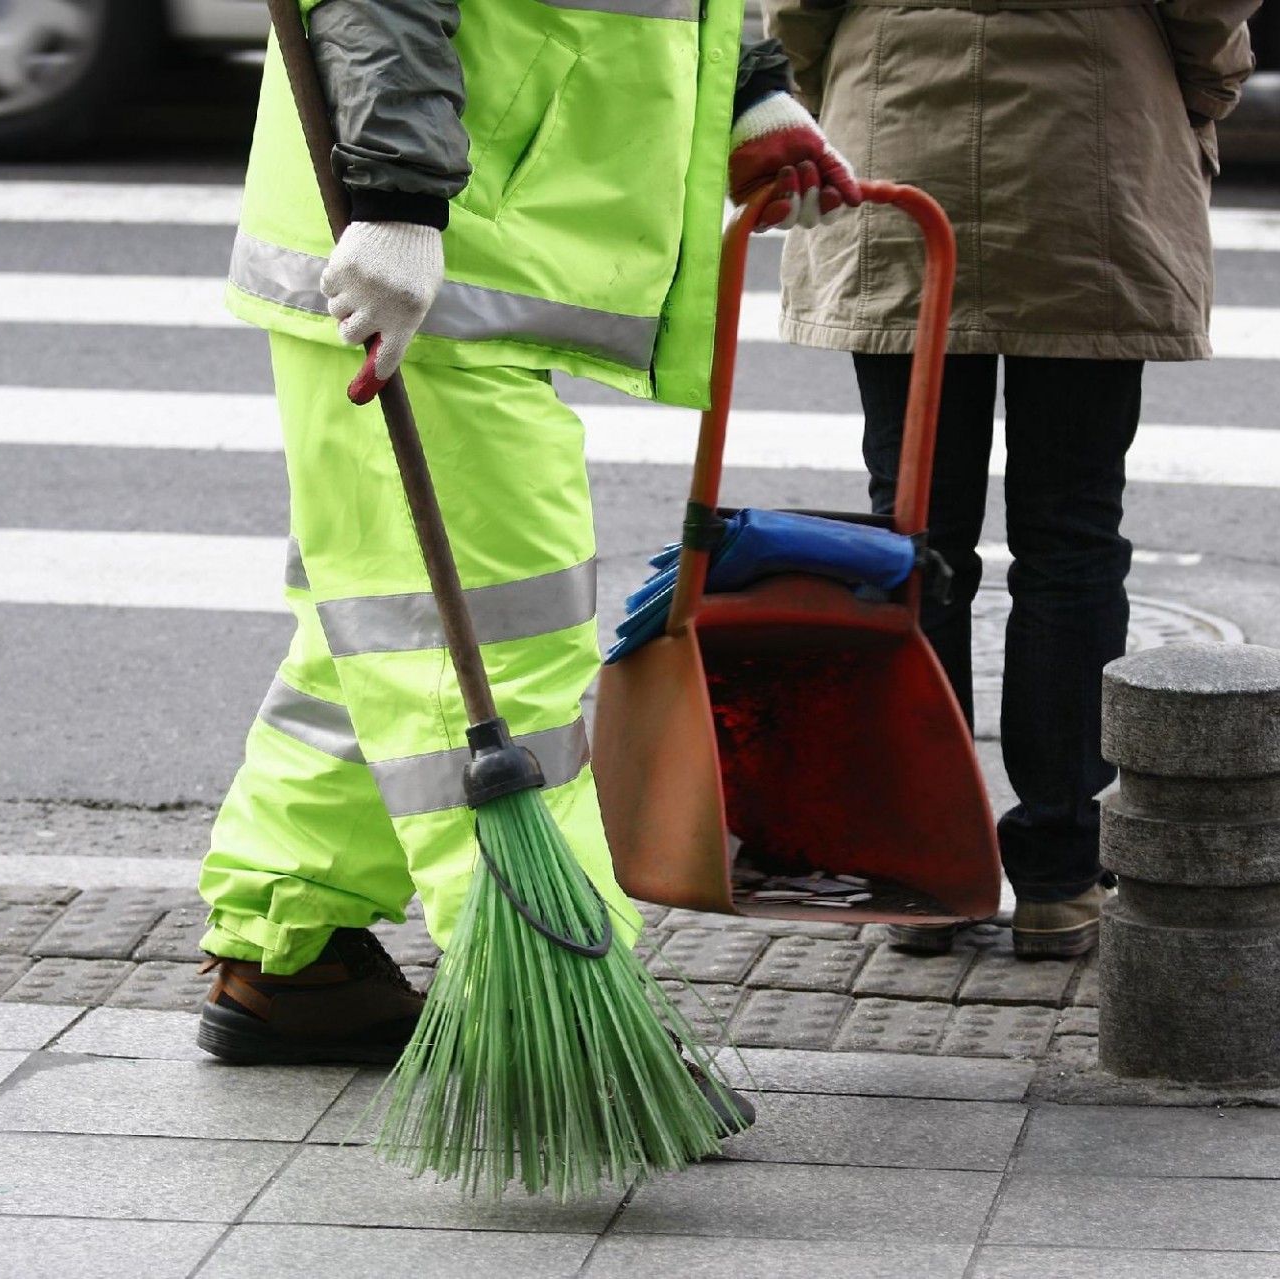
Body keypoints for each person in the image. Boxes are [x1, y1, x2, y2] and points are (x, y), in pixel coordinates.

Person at [194, 0, 861, 1066]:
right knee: (494, 655)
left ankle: (289, 954)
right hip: (417, 242)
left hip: (489, 223)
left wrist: (745, 86)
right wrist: (396, 198)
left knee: (383, 635)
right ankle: (566, 1023)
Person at [767, 0, 1259, 957]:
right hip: (1093, 137)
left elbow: (797, 10)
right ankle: (1059, 872)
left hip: (899, 129)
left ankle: (927, 862)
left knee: (913, 533)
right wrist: (1204, 84)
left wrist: (836, 81)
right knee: (1072, 533)